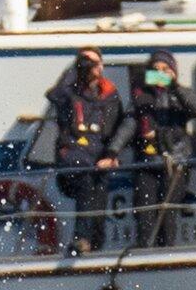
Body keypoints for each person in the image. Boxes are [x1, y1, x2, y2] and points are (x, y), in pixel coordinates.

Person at [43, 45, 132, 252]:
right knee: (86, 176)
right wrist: (74, 70)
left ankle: (96, 243)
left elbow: (117, 125)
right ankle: (81, 237)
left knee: (99, 188)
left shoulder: (109, 94)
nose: (93, 67)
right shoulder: (70, 91)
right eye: (87, 62)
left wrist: (112, 154)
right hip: (73, 155)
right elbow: (54, 95)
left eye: (95, 62)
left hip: (98, 154)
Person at [126, 49, 196, 247]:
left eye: (165, 69)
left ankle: (167, 251)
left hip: (175, 160)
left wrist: (174, 86)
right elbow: (129, 124)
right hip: (146, 160)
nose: (161, 73)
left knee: (168, 213)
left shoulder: (181, 93)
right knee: (144, 211)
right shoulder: (141, 95)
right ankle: (144, 253)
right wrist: (113, 151)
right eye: (155, 69)